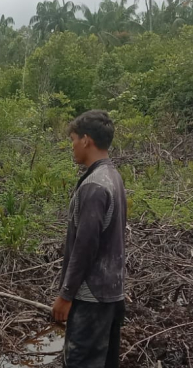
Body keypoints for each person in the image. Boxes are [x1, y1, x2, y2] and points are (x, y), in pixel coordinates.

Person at [52, 110, 128, 368]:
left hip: (91, 297)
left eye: (73, 139)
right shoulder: (113, 177)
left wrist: (66, 295)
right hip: (111, 293)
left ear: (86, 140)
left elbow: (85, 247)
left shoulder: (94, 186)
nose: (72, 146)